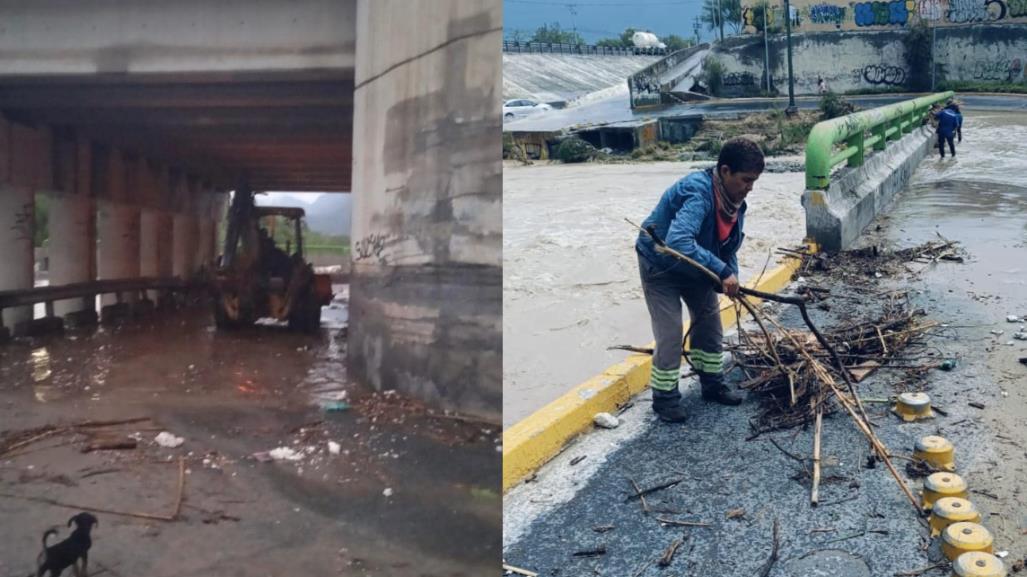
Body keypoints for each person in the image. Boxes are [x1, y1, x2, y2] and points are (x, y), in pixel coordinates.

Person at [635, 138, 765, 423]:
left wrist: (732, 278)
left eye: (754, 182)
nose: (749, 188)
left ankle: (712, 385)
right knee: (669, 334)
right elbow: (678, 241)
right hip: (660, 266)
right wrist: (721, 270)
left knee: (710, 325)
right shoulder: (698, 193)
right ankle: (665, 399)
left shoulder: (735, 204)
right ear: (725, 170)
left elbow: (728, 247)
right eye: (745, 180)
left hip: (695, 267)